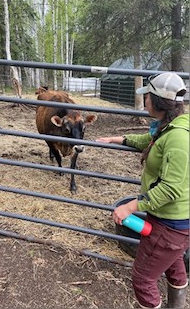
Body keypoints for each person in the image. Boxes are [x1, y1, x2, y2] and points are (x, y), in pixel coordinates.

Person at [96, 72, 189, 308]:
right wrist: (118, 139)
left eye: (146, 96)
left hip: (170, 224)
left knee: (143, 278)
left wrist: (131, 205)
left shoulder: (178, 138)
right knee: (174, 264)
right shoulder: (169, 127)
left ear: (156, 101)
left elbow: (170, 189)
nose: (144, 100)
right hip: (176, 222)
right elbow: (150, 142)